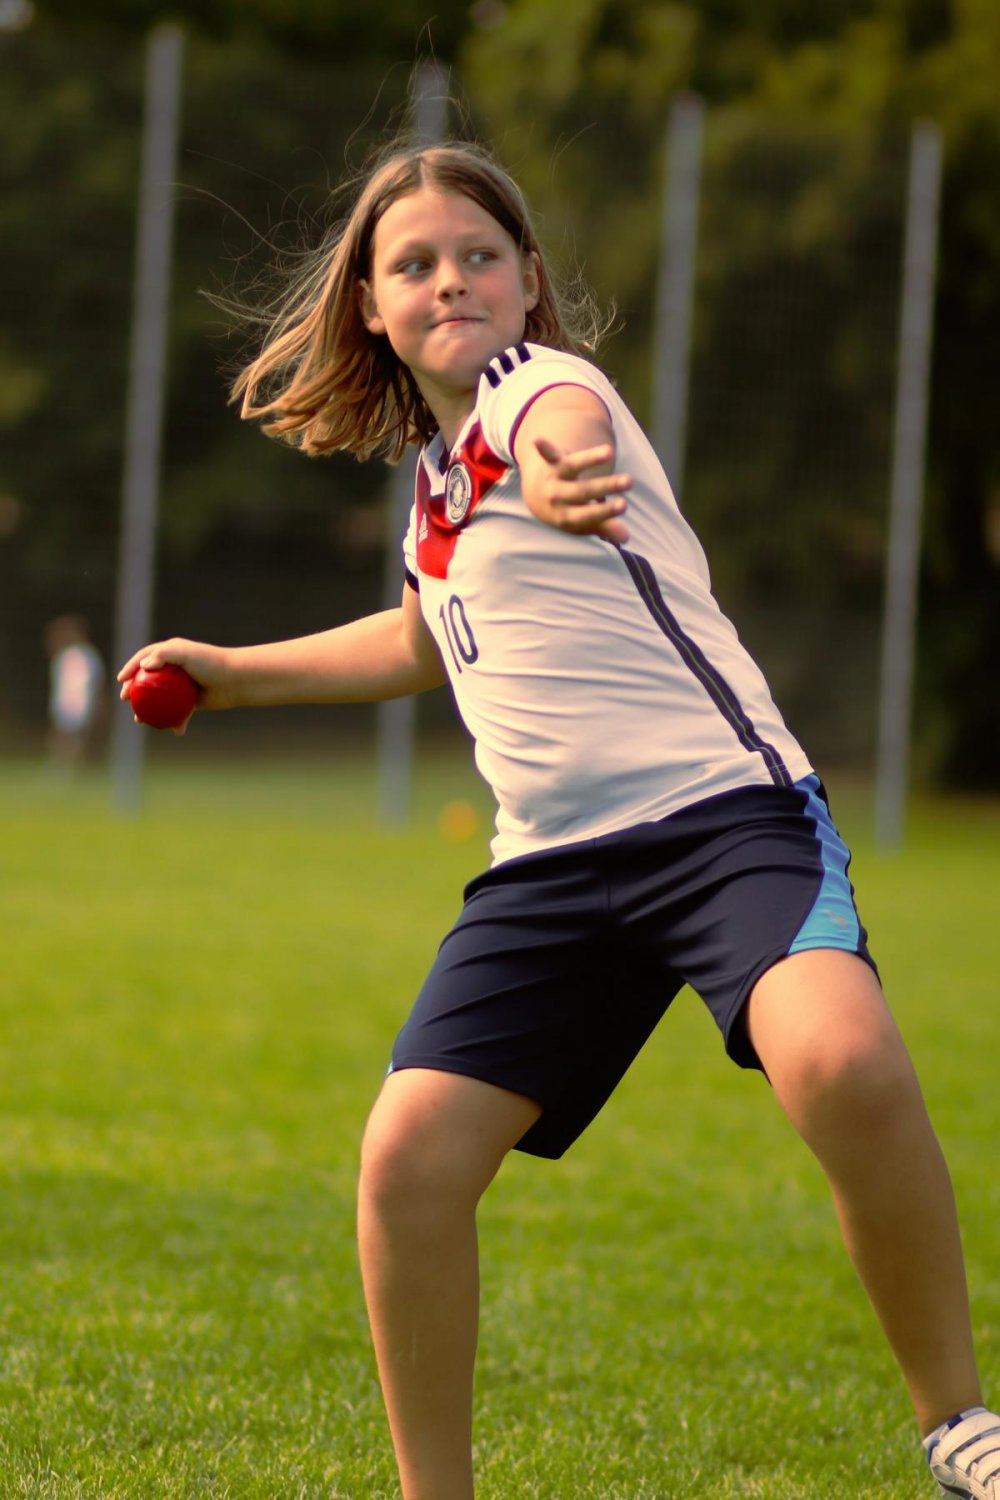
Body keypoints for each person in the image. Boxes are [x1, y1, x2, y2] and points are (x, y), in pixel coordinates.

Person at [118, 140, 999, 1499]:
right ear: (371, 306)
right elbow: (420, 641)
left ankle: (958, 1425)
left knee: (843, 1062)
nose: (451, 280)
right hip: (546, 875)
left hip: (723, 823)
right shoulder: (433, 487)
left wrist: (568, 466)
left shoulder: (542, 390)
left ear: (529, 282)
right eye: (415, 263)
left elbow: (560, 428)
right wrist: (231, 674)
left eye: (480, 255)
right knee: (406, 1158)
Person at [44, 613, 105, 771]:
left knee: (76, 738)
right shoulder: (64, 656)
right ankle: (62, 766)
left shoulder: (87, 656)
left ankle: (68, 768)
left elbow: (95, 683)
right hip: (65, 702)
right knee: (63, 736)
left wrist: (97, 703)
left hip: (80, 704)